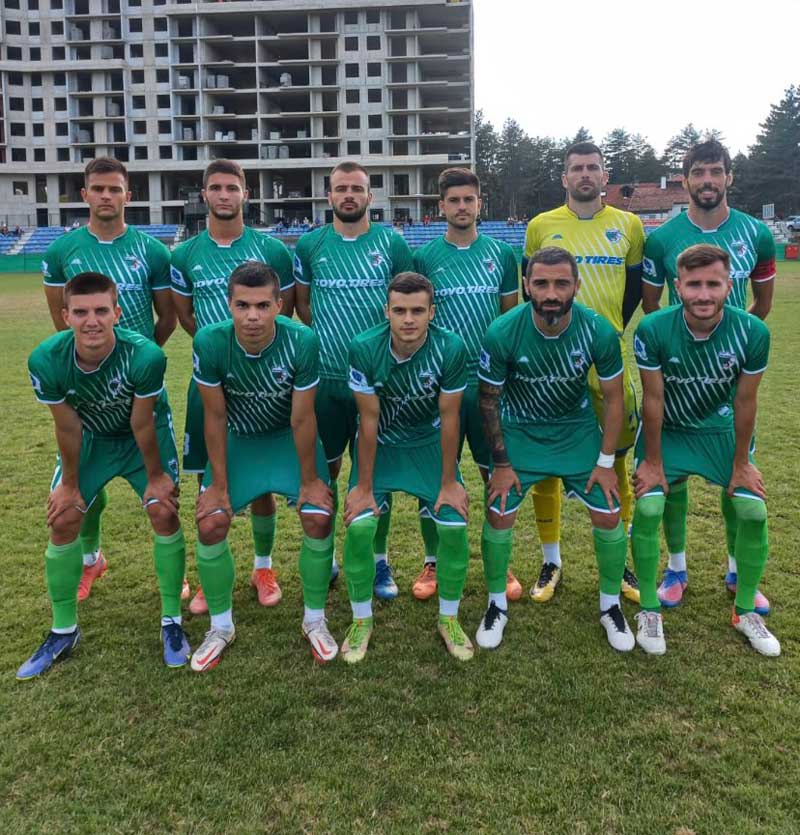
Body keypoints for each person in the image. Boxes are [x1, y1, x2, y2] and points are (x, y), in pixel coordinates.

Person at [18, 272, 188, 679]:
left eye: (100, 311)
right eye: (80, 312)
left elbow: (142, 422)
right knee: (63, 517)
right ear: (66, 316)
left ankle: (172, 621)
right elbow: (67, 426)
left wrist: (156, 478)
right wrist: (70, 485)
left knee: (162, 510)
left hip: (140, 439)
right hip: (91, 438)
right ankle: (63, 630)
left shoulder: (145, 355)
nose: (91, 321)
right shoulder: (45, 360)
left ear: (117, 313)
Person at [475, 246, 634, 653]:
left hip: (576, 431)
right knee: (498, 510)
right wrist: (502, 464)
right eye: (541, 283)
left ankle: (610, 606)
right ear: (526, 285)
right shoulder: (502, 331)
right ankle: (495, 605)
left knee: (608, 510)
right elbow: (489, 400)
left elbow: (614, 399)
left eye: (561, 283)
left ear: (576, 287)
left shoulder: (597, 330)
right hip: (521, 430)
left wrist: (605, 462)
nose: (551, 293)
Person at [641, 140, 776, 612]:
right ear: (685, 180)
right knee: (672, 482)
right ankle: (676, 567)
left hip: (728, 373)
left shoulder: (757, 233)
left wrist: (731, 347)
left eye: (716, 171)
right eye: (698, 172)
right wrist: (680, 349)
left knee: (735, 476)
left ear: (729, 177)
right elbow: (652, 305)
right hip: (678, 372)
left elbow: (762, 305)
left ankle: (738, 568)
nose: (707, 181)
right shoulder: (661, 238)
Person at [631, 244, 779, 656]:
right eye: (693, 284)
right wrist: (653, 462)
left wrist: (742, 463)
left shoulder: (753, 332)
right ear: (677, 286)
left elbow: (746, 401)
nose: (703, 294)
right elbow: (653, 399)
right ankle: (649, 608)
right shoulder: (653, 329)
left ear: (729, 286)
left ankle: (744, 610)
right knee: (648, 508)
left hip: (719, 432)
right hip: (670, 431)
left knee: (753, 511)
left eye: (713, 284)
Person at [42, 156, 176, 603]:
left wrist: (139, 359)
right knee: (85, 488)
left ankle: (173, 575)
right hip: (87, 391)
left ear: (127, 196)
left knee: (162, 495)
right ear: (84, 195)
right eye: (97, 188)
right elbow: (61, 322)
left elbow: (166, 318)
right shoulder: (61, 252)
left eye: (114, 189)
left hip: (140, 385)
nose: (106, 196)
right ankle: (90, 559)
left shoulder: (153, 251)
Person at [190, 262, 336, 670]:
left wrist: (310, 480)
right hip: (240, 440)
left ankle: (315, 620)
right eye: (242, 305)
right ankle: (220, 627)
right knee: (211, 522)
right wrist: (218, 485)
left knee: (318, 516)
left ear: (279, 305)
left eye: (261, 306)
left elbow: (302, 418)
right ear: (229, 305)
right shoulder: (209, 342)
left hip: (286, 439)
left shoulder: (302, 341)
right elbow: (215, 416)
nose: (252, 316)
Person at [171, 159, 295, 615]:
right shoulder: (184, 255)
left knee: (261, 481)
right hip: (212, 380)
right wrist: (219, 351)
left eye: (232, 187)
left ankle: (263, 567)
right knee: (209, 477)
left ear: (246, 194)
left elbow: (287, 309)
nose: (224, 195)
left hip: (266, 383)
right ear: (204, 194)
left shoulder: (273, 250)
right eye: (216, 187)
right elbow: (185, 316)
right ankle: (212, 575)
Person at [522, 142, 644, 605]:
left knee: (618, 458)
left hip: (605, 359)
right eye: (577, 168)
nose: (585, 174)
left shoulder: (628, 226)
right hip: (549, 358)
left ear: (605, 175)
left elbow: (633, 292)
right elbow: (531, 288)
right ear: (564, 177)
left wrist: (605, 332)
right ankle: (551, 559)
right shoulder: (541, 226)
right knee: (547, 459)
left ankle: (622, 559)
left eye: (593, 167)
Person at [294, 161, 414, 600]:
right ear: (329, 196)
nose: (348, 195)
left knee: (374, 472)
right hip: (326, 381)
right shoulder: (310, 244)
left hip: (380, 382)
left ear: (369, 196)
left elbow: (404, 303)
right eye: (341, 188)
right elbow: (304, 305)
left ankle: (379, 561)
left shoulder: (391, 243)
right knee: (323, 471)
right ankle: (324, 554)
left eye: (356, 188)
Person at [342, 272, 472, 662]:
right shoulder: (364, 347)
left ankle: (449, 618)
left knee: (454, 525)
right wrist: (364, 487)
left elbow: (450, 417)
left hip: (427, 444)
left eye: (417, 310)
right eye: (400, 310)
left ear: (432, 312)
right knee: (359, 527)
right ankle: (360, 620)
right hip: (381, 444)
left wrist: (448, 482)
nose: (409, 319)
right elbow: (368, 421)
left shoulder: (451, 347)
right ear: (387, 311)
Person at [411, 167, 519, 600]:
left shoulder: (502, 255)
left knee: (497, 472)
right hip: (438, 385)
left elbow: (510, 319)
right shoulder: (424, 258)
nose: (461, 207)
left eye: (468, 199)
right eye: (453, 200)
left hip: (489, 385)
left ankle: (500, 563)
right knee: (434, 474)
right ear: (441, 206)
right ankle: (433, 562)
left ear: (479, 203)